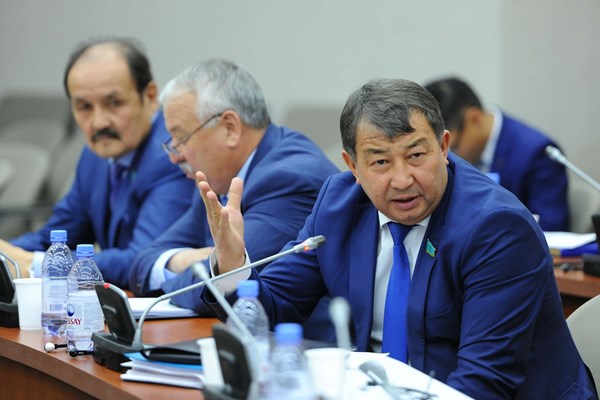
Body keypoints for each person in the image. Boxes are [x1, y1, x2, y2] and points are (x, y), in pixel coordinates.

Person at [198, 79, 597, 399]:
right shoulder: (338, 206)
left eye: (416, 155)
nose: (403, 179)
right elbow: (272, 307)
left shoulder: (496, 228)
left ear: (443, 147)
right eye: (380, 162)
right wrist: (233, 265)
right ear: (353, 166)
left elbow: (484, 382)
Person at [128, 59, 339, 318]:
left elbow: (221, 285)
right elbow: (143, 261)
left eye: (181, 138)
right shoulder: (218, 177)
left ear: (230, 127)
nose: (174, 156)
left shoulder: (289, 180)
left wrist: (209, 265)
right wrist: (187, 260)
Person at [0, 38, 195, 289]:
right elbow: (55, 238)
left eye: (113, 103)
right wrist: (7, 255)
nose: (99, 122)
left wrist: (36, 263)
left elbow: (145, 260)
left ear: (149, 96)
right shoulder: (95, 155)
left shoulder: (173, 156)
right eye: (84, 107)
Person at [424, 77, 569, 232]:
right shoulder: (464, 151)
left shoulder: (536, 153)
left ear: (475, 118)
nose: (446, 156)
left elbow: (549, 228)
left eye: (453, 146)